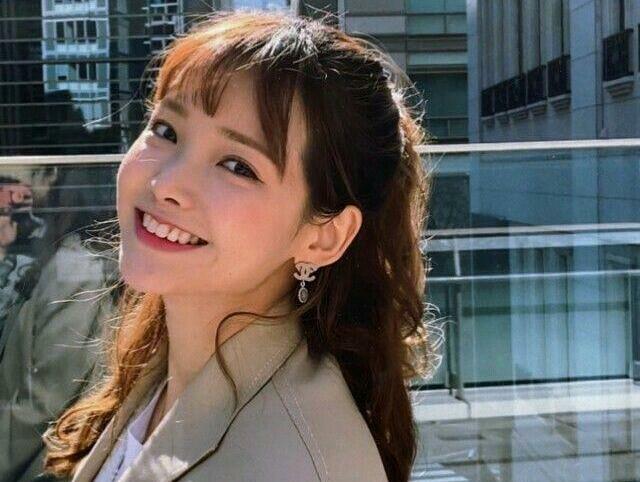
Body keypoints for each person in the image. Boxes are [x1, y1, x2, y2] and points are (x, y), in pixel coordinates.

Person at [43, 9, 437, 482]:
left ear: (323, 236)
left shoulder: (290, 463)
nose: (166, 184)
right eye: (166, 131)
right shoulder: (165, 363)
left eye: (237, 166)